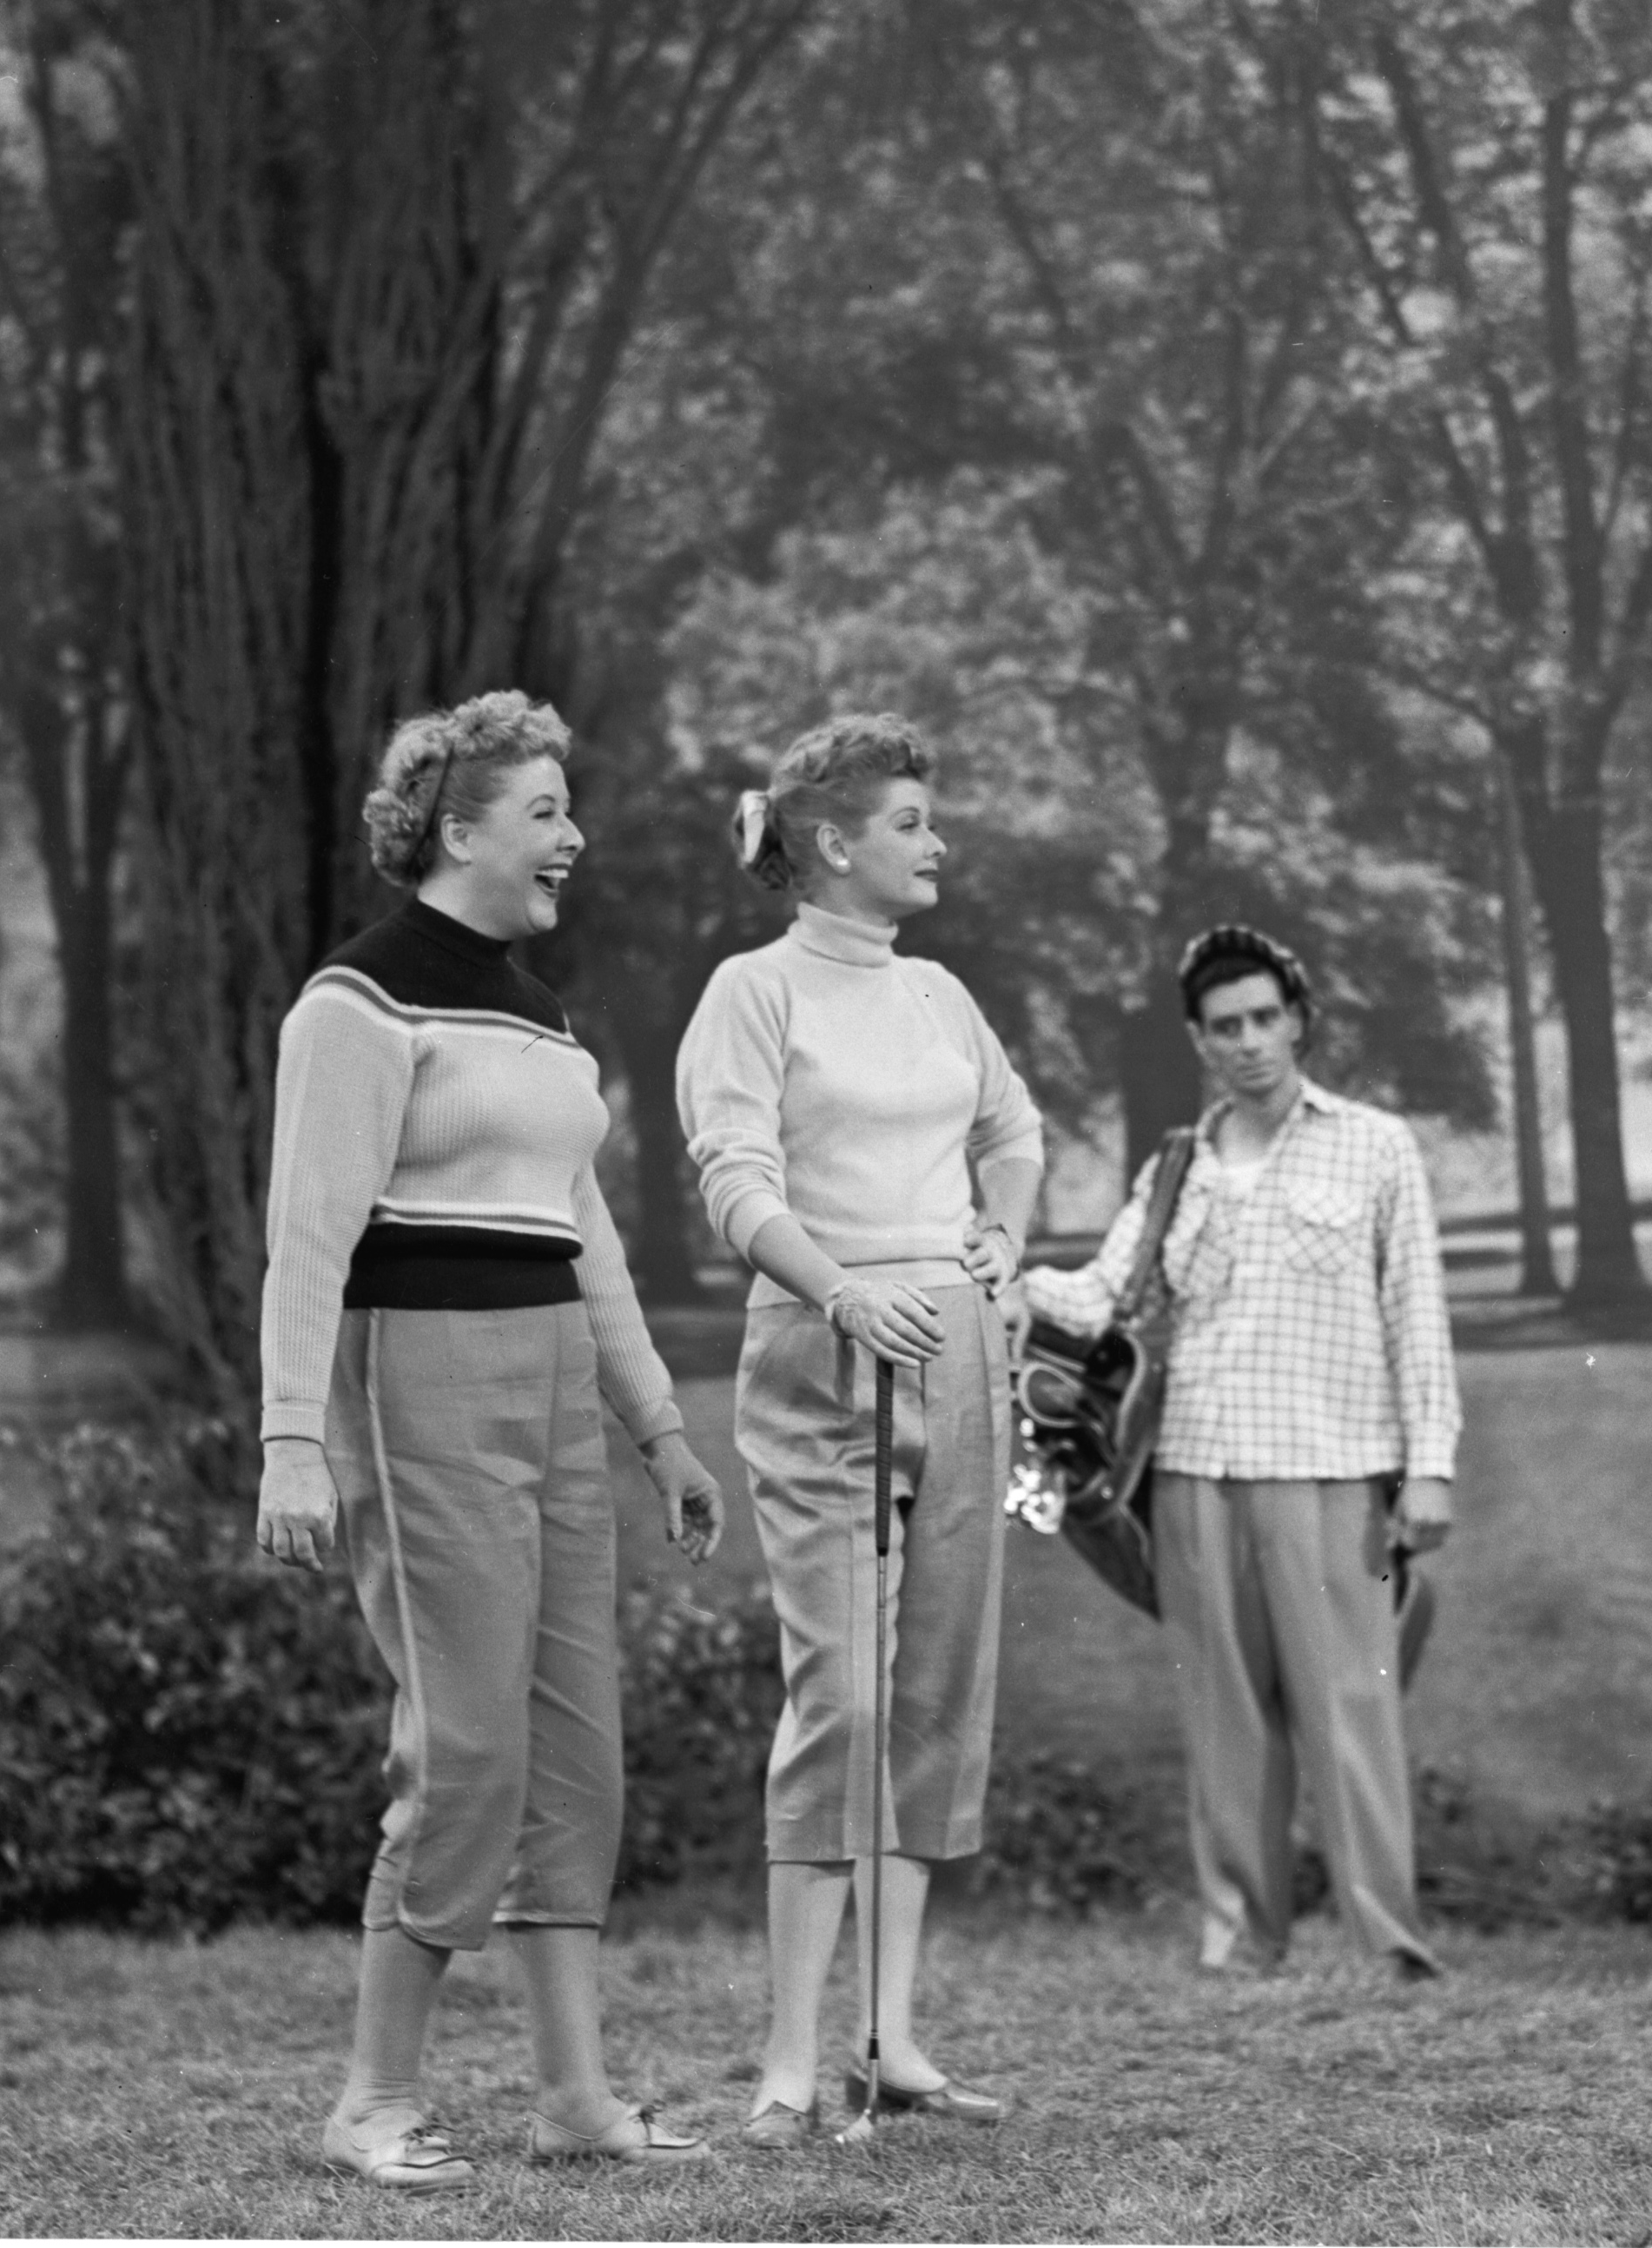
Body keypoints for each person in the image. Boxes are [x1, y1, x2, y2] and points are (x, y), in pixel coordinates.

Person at [255, 691, 728, 2192]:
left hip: (550, 1387)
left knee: (575, 1752)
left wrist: (658, 1425)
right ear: (459, 831)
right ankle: (372, 2096)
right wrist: (289, 1438)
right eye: (544, 810)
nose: (572, 833)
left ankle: (572, 2096)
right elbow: (308, 1235)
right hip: (420, 1379)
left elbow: (580, 1232)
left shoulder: (540, 1016)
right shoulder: (357, 1000)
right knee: (465, 1748)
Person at [676, 713, 1043, 2144]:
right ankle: (784, 2063)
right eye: (910, 821)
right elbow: (734, 1180)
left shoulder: (942, 995)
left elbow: (1011, 1132)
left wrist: (998, 1246)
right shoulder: (751, 994)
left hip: (955, 1352)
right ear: (832, 842)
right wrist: (841, 1290)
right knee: (843, 1696)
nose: (936, 840)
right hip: (820, 1354)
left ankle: (888, 2042)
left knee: (936, 1690)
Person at [1018, 925, 1458, 1980]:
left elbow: (1416, 1312)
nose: (1250, 1040)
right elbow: (1099, 1294)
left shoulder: (1373, 1144)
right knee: (1225, 1718)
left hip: (1330, 1468)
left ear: (1298, 1019)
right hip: (1193, 1474)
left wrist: (1430, 1462)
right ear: (1199, 1040)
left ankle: (1384, 1945)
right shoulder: (1179, 1164)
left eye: (1266, 1018)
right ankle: (1238, 1943)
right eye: (1227, 1026)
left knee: (1348, 1709)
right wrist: (1000, 1275)